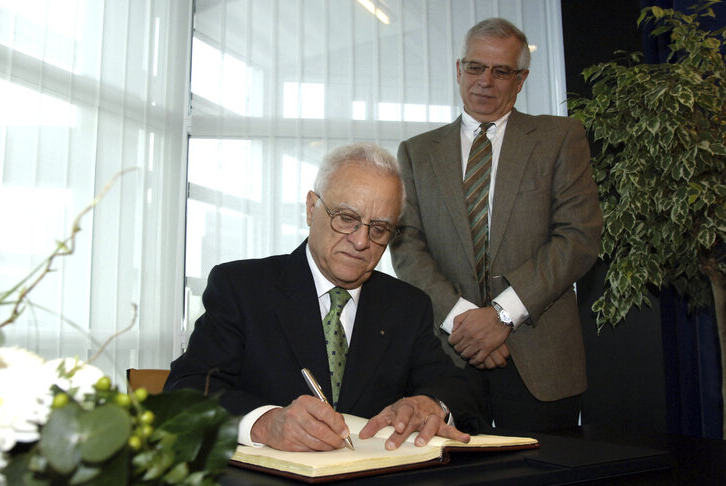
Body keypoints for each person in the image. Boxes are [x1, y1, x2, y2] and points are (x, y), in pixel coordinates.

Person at [165, 142, 483, 452]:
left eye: (379, 229)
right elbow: (187, 389)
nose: (361, 241)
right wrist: (265, 423)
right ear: (311, 208)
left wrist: (429, 404)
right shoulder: (242, 288)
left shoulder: (407, 305)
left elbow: (455, 386)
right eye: (346, 218)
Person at [389, 18, 602, 432]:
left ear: (520, 79)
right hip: (448, 356)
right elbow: (406, 246)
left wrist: (502, 316)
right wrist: (463, 321)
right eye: (474, 67)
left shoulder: (560, 137)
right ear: (458, 70)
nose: (485, 81)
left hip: (541, 362)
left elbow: (578, 237)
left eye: (501, 71)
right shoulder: (416, 153)